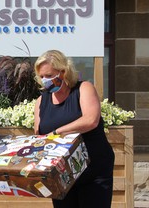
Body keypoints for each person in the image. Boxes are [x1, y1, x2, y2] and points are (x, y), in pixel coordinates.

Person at [33, 50, 115, 208]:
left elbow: (91, 120)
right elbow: (39, 134)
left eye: (49, 75)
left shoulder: (83, 88)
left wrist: (57, 132)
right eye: (41, 76)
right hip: (62, 174)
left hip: (93, 170)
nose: (45, 80)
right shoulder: (41, 100)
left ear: (63, 72)